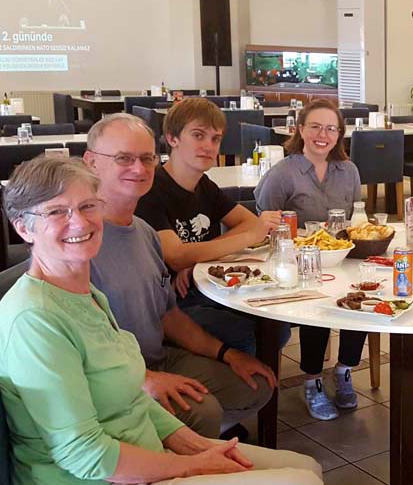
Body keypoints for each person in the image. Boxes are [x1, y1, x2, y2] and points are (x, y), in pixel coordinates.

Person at [0, 156, 322, 485]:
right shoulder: (34, 320)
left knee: (307, 466)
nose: (80, 222)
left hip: (138, 450)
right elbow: (85, 454)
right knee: (302, 481)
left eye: (87, 206)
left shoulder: (86, 293)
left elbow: (129, 395)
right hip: (96, 476)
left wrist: (192, 445)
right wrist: (191, 466)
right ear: (23, 228)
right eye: (56, 212)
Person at [84, 113, 276, 439]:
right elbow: (77, 346)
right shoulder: (78, 239)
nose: (139, 168)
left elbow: (168, 315)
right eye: (123, 158)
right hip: (111, 377)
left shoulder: (144, 232)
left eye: (147, 159)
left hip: (160, 356)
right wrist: (141, 378)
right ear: (90, 162)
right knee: (204, 411)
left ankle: (181, 436)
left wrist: (227, 354)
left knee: (257, 385)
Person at [134, 97, 287, 356]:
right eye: (198, 135)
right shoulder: (152, 190)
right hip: (170, 305)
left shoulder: (204, 185)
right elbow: (176, 255)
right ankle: (235, 381)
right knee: (255, 332)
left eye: (215, 139)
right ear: (172, 138)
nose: (208, 146)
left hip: (204, 284)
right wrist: (250, 235)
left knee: (276, 322)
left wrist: (199, 258)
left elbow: (247, 222)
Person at [254, 99, 366, 421]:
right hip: (300, 262)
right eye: (315, 126)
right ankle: (313, 379)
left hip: (343, 257)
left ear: (339, 134)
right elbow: (264, 225)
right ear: (300, 129)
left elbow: (354, 219)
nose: (323, 134)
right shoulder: (283, 173)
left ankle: (344, 370)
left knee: (362, 296)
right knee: (318, 305)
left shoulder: (349, 171)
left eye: (331, 128)